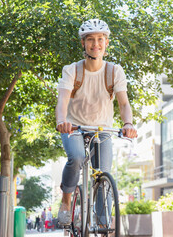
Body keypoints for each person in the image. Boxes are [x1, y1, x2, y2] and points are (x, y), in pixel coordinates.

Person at [56, 18, 137, 225]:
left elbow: (124, 104)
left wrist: (128, 124)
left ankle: (102, 223)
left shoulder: (114, 71)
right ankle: (66, 200)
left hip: (102, 129)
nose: (96, 44)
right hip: (74, 127)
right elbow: (63, 100)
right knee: (76, 157)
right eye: (90, 39)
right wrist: (61, 121)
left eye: (100, 39)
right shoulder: (72, 70)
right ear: (83, 43)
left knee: (103, 176)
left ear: (106, 42)